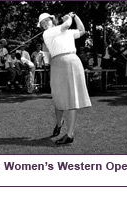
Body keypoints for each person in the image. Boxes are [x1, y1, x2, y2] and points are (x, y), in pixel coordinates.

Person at [38, 12, 92, 145]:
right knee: (58, 98)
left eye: (47, 21)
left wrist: (75, 16)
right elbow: (66, 24)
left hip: (72, 61)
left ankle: (70, 134)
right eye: (42, 23)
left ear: (52, 19)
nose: (45, 24)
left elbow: (82, 30)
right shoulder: (48, 33)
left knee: (71, 98)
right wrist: (68, 19)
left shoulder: (66, 32)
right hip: (57, 63)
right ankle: (59, 123)